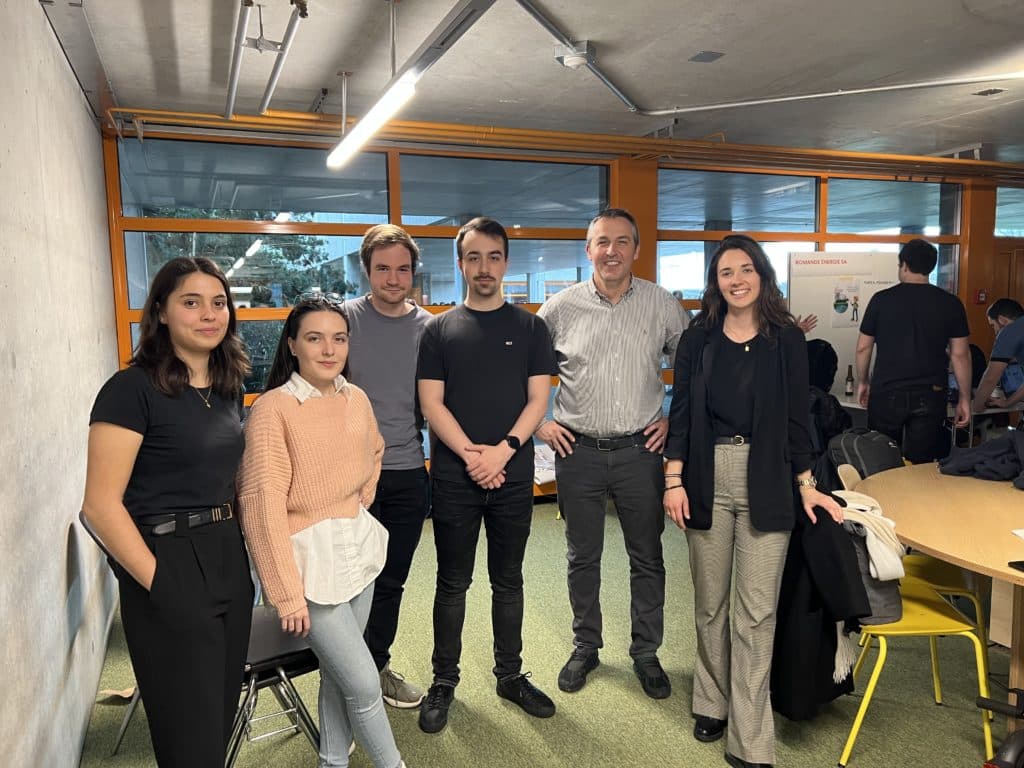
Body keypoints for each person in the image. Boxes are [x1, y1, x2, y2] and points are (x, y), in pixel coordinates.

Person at [663, 234, 844, 768]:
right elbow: (681, 412)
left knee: (757, 613)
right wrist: (673, 479)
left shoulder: (786, 337)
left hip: (767, 476)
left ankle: (749, 734)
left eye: (746, 269)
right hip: (703, 474)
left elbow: (795, 417)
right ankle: (711, 702)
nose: (736, 280)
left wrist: (807, 483)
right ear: (715, 282)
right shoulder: (698, 336)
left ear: (762, 275)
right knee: (710, 604)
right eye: (725, 272)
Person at [82, 257, 254, 767]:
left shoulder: (226, 388)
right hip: (166, 560)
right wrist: (161, 583)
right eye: (191, 302)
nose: (209, 314)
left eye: (218, 302)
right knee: (189, 741)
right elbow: (99, 506)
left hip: (227, 559)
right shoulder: (131, 389)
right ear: (160, 312)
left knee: (218, 724)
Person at [236, 295, 406, 768]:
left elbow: (376, 449)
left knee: (339, 676)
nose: (329, 349)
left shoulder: (356, 398)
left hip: (358, 551)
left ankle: (333, 760)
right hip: (308, 567)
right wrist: (285, 595)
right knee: (365, 682)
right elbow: (260, 507)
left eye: (339, 338)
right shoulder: (274, 409)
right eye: (314, 338)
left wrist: (356, 500)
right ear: (292, 345)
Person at [536, 208, 688, 698]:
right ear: (588, 249)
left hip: (640, 451)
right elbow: (528, 375)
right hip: (576, 452)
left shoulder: (663, 305)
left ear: (636, 250)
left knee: (647, 556)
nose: (611, 251)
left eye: (622, 241)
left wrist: (673, 419)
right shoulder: (559, 308)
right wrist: (541, 422)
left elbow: (694, 372)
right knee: (583, 557)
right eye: (602, 241)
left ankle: (646, 652)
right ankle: (586, 646)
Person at [416, 216, 557, 734]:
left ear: (505, 263)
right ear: (460, 264)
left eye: (492, 256)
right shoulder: (438, 330)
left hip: (513, 476)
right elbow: (432, 403)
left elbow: (538, 398)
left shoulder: (530, 328)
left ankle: (510, 676)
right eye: (473, 257)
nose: (483, 267)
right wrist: (475, 457)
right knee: (452, 583)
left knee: (508, 581)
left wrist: (503, 452)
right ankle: (444, 682)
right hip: (455, 478)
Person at [345, 225, 432, 708]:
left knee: (390, 580)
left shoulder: (430, 328)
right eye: (383, 268)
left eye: (403, 268)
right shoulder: (344, 321)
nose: (394, 278)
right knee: (347, 584)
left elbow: (440, 403)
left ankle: (374, 668)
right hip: (349, 476)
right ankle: (344, 682)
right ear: (367, 270)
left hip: (405, 472)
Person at [854, 239, 971, 463]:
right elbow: (960, 355)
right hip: (931, 393)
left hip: (886, 391)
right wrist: (964, 398)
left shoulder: (881, 300)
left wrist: (863, 382)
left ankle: (884, 498)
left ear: (904, 265)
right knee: (923, 463)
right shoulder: (950, 303)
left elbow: (863, 347)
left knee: (882, 458)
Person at [972, 298, 1024, 411]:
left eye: (993, 325)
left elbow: (990, 377)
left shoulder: (1009, 332)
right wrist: (1006, 403)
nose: (995, 332)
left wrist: (975, 406)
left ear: (1002, 320)